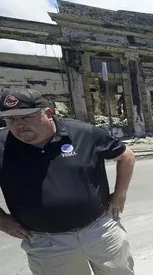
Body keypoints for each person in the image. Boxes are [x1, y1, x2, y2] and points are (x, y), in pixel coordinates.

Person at [0, 88, 136, 275]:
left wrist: (120, 194)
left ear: (48, 113)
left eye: (25, 117)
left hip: (100, 231)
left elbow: (126, 156)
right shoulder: (2, 145)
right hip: (47, 244)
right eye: (11, 119)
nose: (18, 125)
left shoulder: (83, 133)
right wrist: (1, 219)